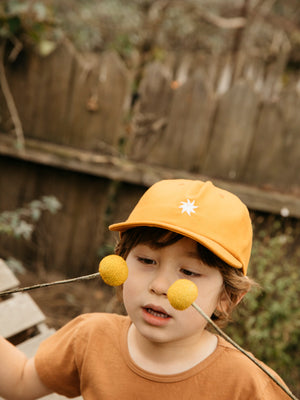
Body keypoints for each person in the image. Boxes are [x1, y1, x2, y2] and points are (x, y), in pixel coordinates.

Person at [0, 179, 292, 399]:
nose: (159, 286)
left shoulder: (245, 383)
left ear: (227, 298)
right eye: (147, 260)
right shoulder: (91, 338)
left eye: (189, 272)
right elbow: (20, 381)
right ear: (120, 264)